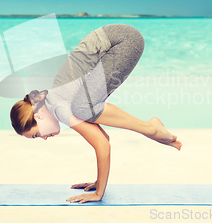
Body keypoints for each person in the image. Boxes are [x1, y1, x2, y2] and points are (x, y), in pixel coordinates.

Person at [10, 23, 182, 204]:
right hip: (120, 40)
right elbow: (103, 138)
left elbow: (102, 146)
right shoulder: (58, 102)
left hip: (120, 41)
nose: (43, 138)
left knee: (82, 108)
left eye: (36, 134)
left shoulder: (60, 108)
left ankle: (150, 128)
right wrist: (98, 181)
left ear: (39, 116)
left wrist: (99, 193)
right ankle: (150, 128)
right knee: (84, 107)